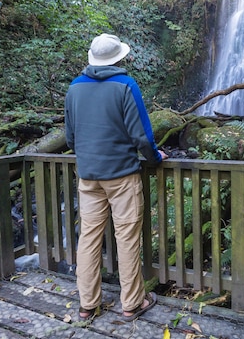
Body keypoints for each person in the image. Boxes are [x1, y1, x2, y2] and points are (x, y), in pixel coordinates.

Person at [64, 33, 168, 322]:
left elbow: (70, 138)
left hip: (89, 177)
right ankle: (132, 303)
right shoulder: (126, 86)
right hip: (122, 176)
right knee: (127, 238)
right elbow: (142, 137)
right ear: (118, 58)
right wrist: (155, 158)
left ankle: (87, 305)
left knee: (88, 238)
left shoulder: (74, 88)